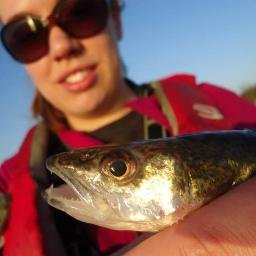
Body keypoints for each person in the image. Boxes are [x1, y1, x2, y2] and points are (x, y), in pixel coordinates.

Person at [0, 0, 256, 255]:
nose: (61, 46)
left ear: (117, 20)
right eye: (26, 36)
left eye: (80, 12)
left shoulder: (223, 107)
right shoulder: (6, 183)